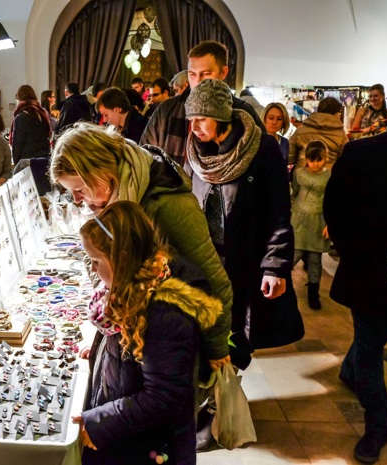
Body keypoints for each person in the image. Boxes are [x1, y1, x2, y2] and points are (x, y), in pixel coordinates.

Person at [50, 122, 233, 380]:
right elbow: (116, 277)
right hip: (138, 344)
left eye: (79, 189)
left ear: (102, 173)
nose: (77, 200)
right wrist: (104, 344)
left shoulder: (168, 205)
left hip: (170, 350)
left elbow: (215, 282)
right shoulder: (111, 201)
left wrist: (216, 350)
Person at [74, 201, 223, 465]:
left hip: (149, 447)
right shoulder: (129, 291)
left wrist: (100, 423)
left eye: (96, 261)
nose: (93, 270)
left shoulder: (163, 314)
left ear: (121, 258)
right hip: (130, 432)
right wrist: (100, 352)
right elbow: (128, 351)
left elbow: (163, 397)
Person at [323, 75, 387, 463]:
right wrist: (354, 252)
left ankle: (349, 369)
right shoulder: (365, 153)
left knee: (374, 337)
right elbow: (336, 206)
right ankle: (378, 425)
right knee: (373, 347)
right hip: (374, 272)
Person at [185, 78, 303, 359]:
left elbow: (279, 213)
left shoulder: (262, 148)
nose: (194, 127)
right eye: (191, 120)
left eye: (201, 119)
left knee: (237, 339)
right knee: (207, 338)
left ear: (220, 116)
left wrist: (275, 267)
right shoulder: (195, 153)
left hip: (244, 263)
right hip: (206, 263)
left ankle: (231, 378)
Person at [141, 40, 265, 168]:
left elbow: (263, 161)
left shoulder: (243, 113)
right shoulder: (166, 110)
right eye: (192, 74)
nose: (198, 81)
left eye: (206, 74)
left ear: (223, 72)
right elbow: (144, 158)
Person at [290, 140, 331, 310]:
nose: (315, 164)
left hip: (318, 220)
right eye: (311, 159)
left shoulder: (329, 176)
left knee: (315, 259)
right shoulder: (299, 173)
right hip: (299, 219)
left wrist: (329, 223)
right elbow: (294, 192)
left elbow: (331, 201)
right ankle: (281, 286)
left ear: (325, 158)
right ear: (306, 158)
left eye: (319, 159)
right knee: (293, 254)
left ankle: (313, 293)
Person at [288, 97, 348, 171]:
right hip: (329, 176)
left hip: (302, 175)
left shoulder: (301, 130)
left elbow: (290, 157)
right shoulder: (341, 134)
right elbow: (345, 161)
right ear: (337, 114)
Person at [9, 84, 51, 164]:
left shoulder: (21, 116)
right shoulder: (41, 113)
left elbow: (18, 143)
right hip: (43, 158)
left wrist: (16, 163)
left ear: (19, 99)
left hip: (27, 160)